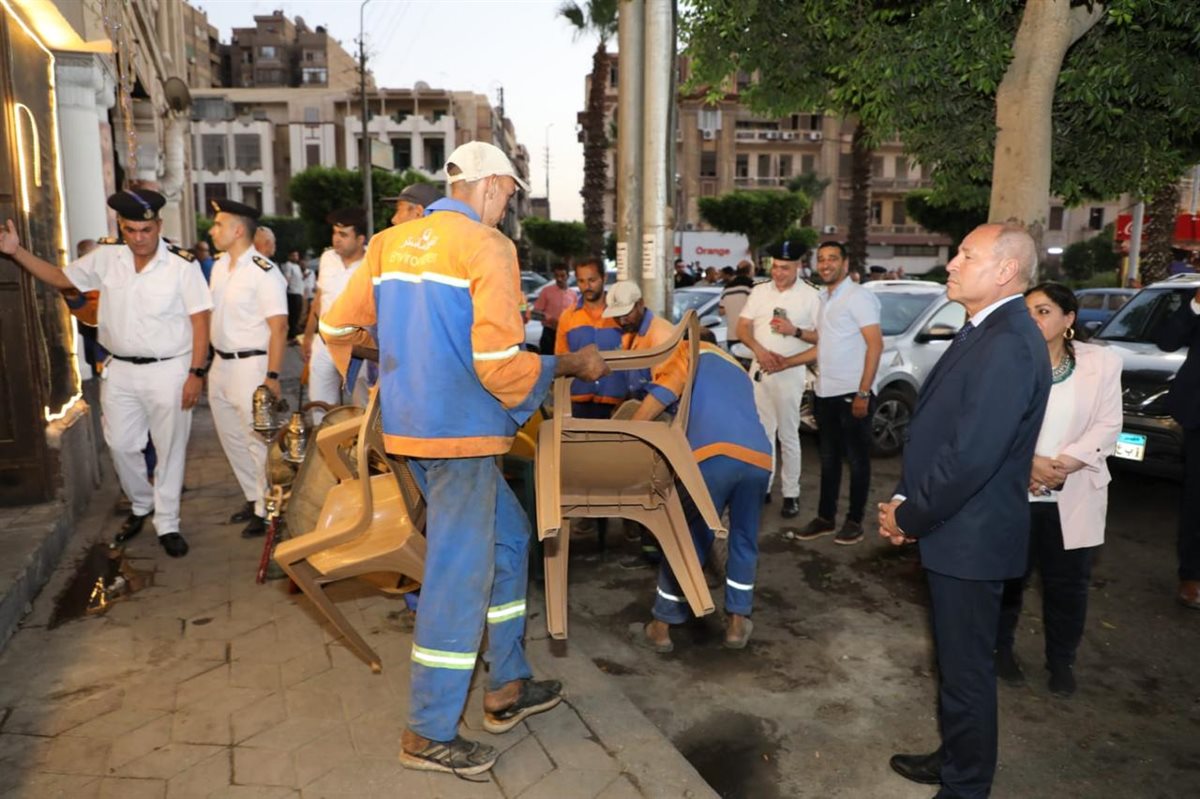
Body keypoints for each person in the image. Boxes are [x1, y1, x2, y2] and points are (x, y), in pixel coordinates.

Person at [319, 140, 609, 775]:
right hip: (461, 437)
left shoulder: (388, 244)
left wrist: (409, 357)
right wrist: (568, 364)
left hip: (409, 431)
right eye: (507, 195)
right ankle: (427, 731)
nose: (506, 208)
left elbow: (335, 329)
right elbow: (499, 365)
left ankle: (506, 685)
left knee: (510, 537)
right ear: (490, 184)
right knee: (459, 574)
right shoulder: (487, 245)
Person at [879, 223, 1050, 799]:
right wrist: (905, 495)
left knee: (967, 671)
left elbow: (972, 455)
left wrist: (910, 517)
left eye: (966, 255)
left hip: (971, 536)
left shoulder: (1008, 341)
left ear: (1005, 271)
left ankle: (966, 786)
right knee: (956, 666)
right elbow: (943, 431)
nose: (951, 263)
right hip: (956, 528)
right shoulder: (988, 328)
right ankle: (955, 757)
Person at [0, 189, 211, 558]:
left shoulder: (182, 265)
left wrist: (196, 372)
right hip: (120, 369)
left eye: (146, 230)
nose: (139, 238)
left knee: (170, 448)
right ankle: (142, 504)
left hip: (169, 369)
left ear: (159, 226)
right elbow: (61, 278)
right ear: (121, 227)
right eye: (131, 230)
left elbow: (200, 319)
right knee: (121, 445)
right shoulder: (107, 257)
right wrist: (17, 252)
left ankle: (168, 523)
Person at [994, 282, 1122, 698]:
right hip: (1017, 489)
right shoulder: (1007, 361)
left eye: (1044, 311)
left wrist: (1063, 465)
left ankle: (1061, 661)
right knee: (1009, 579)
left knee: (1068, 585)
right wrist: (1030, 463)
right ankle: (1000, 650)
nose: (1034, 319)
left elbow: (1108, 425)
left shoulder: (1101, 363)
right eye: (1028, 311)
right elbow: (993, 424)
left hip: (1074, 488)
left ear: (1069, 319)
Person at [637, 330, 773, 651]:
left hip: (714, 456)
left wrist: (624, 431)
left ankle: (662, 624)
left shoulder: (688, 350)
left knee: (690, 536)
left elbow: (661, 396)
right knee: (743, 538)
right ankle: (737, 623)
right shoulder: (736, 367)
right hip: (759, 456)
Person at [207, 198, 289, 539]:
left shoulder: (263, 271)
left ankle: (269, 510)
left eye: (218, 224)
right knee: (232, 438)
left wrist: (272, 376)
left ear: (238, 230)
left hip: (252, 365)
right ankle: (254, 498)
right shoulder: (218, 267)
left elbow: (279, 326)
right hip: (220, 364)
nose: (212, 231)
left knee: (257, 441)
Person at [794, 241, 883, 546]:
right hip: (825, 392)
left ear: (845, 264)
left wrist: (863, 393)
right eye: (821, 259)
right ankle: (825, 518)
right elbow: (824, 342)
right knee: (829, 460)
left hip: (852, 393)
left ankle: (855, 521)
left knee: (857, 461)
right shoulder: (823, 298)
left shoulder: (859, 297)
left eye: (832, 258)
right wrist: (792, 341)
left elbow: (875, 345)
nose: (826, 264)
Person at [736, 240, 820, 517]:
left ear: (798, 266)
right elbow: (742, 327)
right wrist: (759, 351)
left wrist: (795, 331)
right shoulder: (760, 291)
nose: (778, 272)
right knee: (762, 433)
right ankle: (765, 485)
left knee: (788, 434)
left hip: (789, 373)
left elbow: (823, 339)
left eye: (785, 268)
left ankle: (791, 494)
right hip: (760, 372)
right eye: (775, 266)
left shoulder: (812, 296)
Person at [1156, 283, 1200, 609]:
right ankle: (1192, 575)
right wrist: (1197, 304)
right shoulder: (1194, 300)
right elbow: (1167, 340)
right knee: (1197, 500)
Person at [303, 208, 369, 422]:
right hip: (324, 343)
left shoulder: (373, 262)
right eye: (334, 233)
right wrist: (308, 336)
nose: (336, 239)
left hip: (359, 347)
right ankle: (324, 441)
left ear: (360, 239)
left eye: (343, 234)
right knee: (319, 406)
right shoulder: (327, 258)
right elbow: (319, 298)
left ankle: (361, 443)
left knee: (364, 408)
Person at [555, 259, 626, 418]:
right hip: (578, 404)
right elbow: (561, 360)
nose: (587, 286)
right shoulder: (568, 317)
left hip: (617, 403)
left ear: (604, 278)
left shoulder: (620, 314)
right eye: (581, 281)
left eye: (592, 280)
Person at [530, 264, 576, 355]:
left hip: (566, 334)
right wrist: (550, 319)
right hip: (549, 333)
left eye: (562, 276)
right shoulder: (546, 291)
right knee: (548, 360)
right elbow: (535, 313)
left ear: (568, 276)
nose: (559, 279)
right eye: (556, 276)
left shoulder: (573, 294)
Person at [720, 260, 756, 351]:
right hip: (750, 336)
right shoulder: (752, 286)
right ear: (750, 271)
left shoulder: (726, 289)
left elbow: (721, 311)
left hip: (732, 336)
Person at [281, 250, 306, 338]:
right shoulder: (288, 265)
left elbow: (300, 279)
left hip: (299, 292)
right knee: (293, 314)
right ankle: (291, 335)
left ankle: (294, 332)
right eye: (294, 256)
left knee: (298, 314)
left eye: (297, 256)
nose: (296, 257)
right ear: (290, 256)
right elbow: (287, 278)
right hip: (292, 293)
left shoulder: (297, 266)